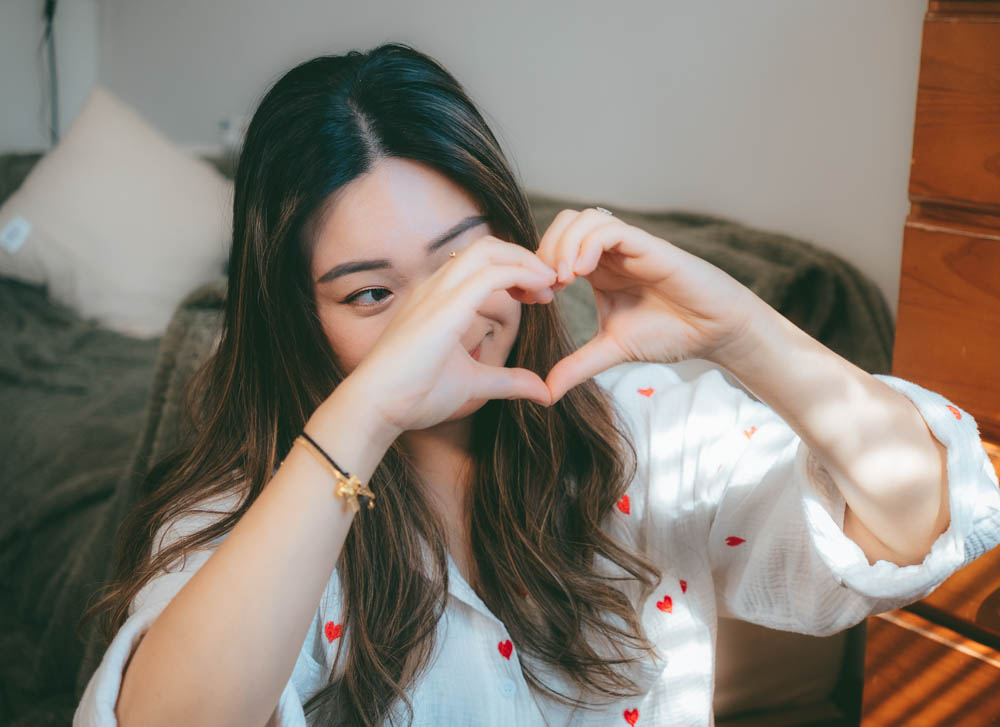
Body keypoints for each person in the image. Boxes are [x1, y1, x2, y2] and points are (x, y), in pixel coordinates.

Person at [74, 42, 1000, 727]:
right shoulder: (257, 520)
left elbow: (917, 512)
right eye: (370, 293)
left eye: (458, 268)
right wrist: (370, 407)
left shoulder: (638, 435)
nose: (439, 324)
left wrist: (742, 330)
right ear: (294, 320)